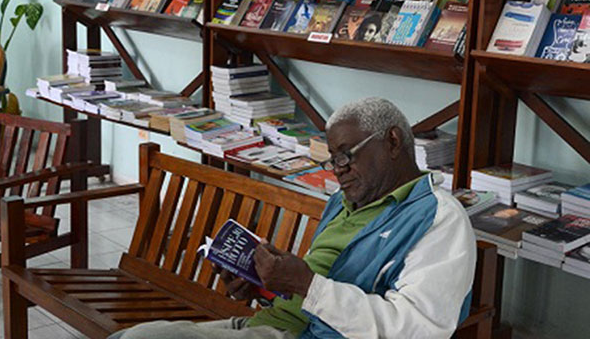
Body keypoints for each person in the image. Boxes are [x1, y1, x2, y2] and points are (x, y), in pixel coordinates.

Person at [109, 97, 476, 339]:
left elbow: (418, 330)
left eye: (347, 155)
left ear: (393, 142)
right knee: (133, 336)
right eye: (333, 159)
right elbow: (319, 286)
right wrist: (265, 287)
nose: (339, 171)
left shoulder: (439, 220)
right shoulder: (347, 200)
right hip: (271, 325)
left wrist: (306, 285)